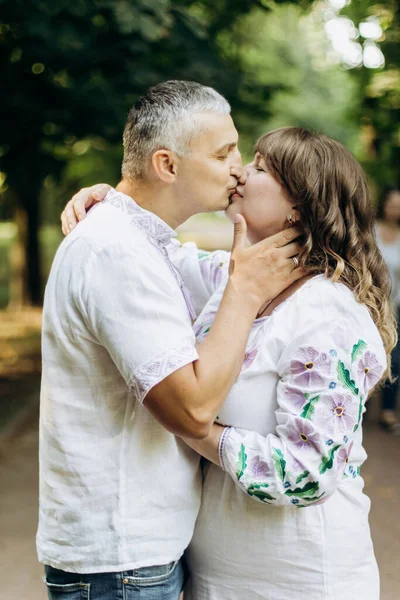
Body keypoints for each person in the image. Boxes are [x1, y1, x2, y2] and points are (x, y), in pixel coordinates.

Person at [64, 127, 396, 599]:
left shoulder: (329, 313)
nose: (240, 171)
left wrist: (187, 420)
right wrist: (113, 199)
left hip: (302, 580)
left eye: (260, 167)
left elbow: (307, 472)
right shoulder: (231, 280)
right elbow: (155, 252)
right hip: (216, 576)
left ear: (297, 205)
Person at [39, 81, 303, 600]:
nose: (238, 168)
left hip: (136, 554)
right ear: (167, 165)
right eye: (224, 152)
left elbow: (230, 274)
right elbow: (193, 411)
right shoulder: (115, 252)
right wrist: (245, 292)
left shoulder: (145, 245)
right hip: (120, 561)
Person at [375, 186, 400, 433]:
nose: (395, 209)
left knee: (395, 358)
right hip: (369, 303)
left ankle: (387, 410)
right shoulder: (370, 231)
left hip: (395, 306)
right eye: (392, 204)